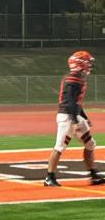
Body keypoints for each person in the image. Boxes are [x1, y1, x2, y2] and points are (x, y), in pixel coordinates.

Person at [44, 50, 105, 187]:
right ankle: (49, 177)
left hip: (73, 114)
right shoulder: (73, 79)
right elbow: (70, 102)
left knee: (90, 144)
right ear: (80, 64)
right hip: (67, 116)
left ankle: (93, 175)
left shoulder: (77, 78)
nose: (89, 65)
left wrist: (83, 116)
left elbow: (76, 102)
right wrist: (75, 121)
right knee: (59, 146)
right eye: (87, 62)